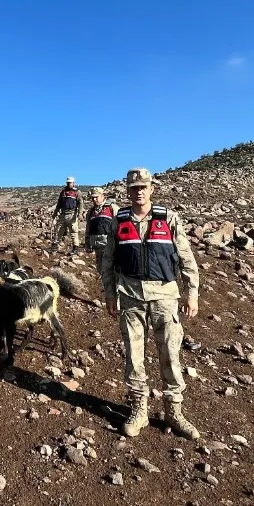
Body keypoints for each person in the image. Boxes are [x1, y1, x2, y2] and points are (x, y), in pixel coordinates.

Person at [99, 168, 201, 440]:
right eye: (134, 187)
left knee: (170, 354)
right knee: (134, 356)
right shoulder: (118, 220)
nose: (139, 191)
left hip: (165, 297)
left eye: (143, 186)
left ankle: (174, 411)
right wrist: (110, 294)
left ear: (151, 189)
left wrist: (192, 293)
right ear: (128, 191)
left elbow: (186, 257)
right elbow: (107, 261)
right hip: (130, 296)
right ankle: (139, 410)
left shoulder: (168, 218)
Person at [84, 187, 117, 275]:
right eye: (92, 198)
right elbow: (88, 229)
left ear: (103, 196)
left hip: (110, 246)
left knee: (112, 270)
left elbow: (120, 226)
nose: (94, 199)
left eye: (96, 197)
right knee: (101, 270)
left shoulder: (112, 208)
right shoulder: (91, 212)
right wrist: (87, 243)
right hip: (97, 247)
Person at [51, 176, 81, 254]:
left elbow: (80, 203)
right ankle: (54, 246)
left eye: (70, 183)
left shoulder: (77, 192)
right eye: (68, 183)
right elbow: (59, 203)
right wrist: (55, 213)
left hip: (72, 214)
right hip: (63, 214)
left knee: (74, 232)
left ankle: (75, 248)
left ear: (73, 183)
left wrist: (80, 214)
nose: (69, 184)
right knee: (58, 230)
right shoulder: (63, 192)